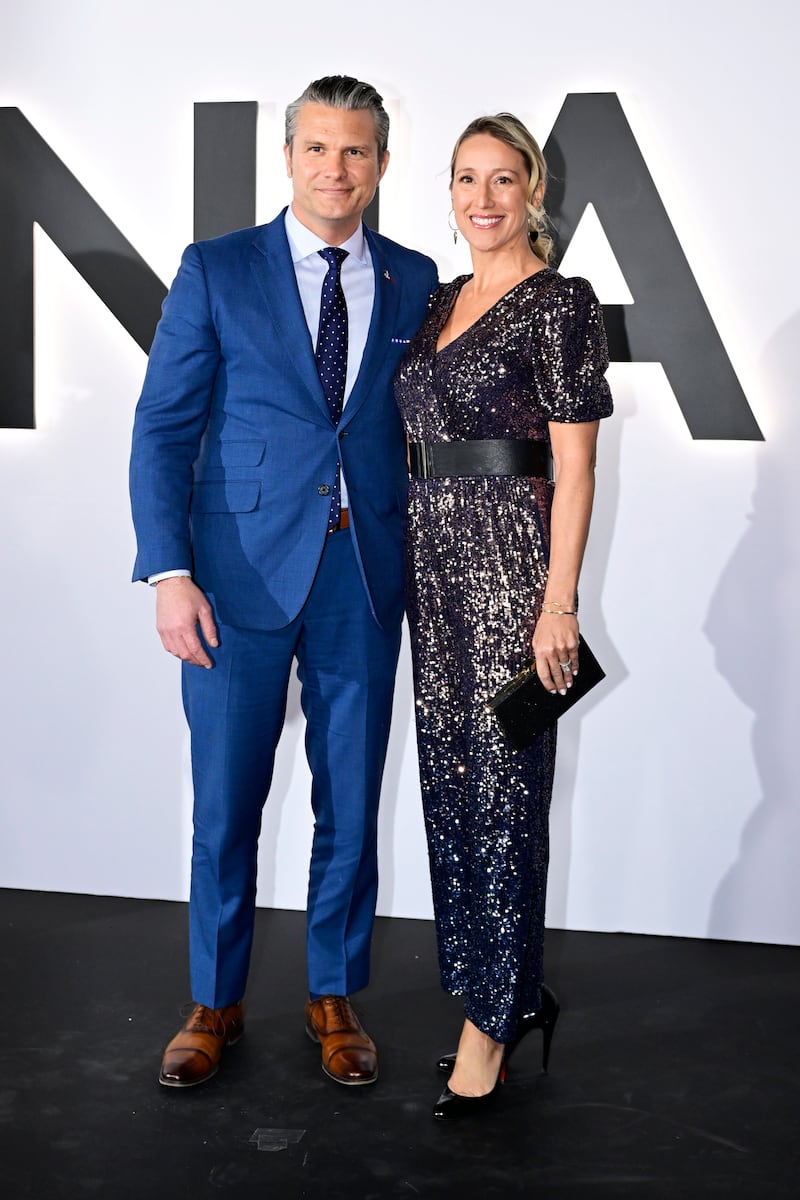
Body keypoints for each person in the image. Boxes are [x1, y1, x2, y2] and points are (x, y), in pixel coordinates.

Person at [129, 75, 438, 1090]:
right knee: (226, 805)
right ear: (289, 156)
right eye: (316, 149)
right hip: (232, 583)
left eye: (354, 152)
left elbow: (413, 436)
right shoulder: (215, 270)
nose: (334, 169)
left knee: (349, 801)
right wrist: (169, 572)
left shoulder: (411, 276)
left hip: (362, 577)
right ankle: (213, 1002)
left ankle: (331, 994)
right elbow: (163, 430)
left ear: (381, 165)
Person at [395, 113, 613, 1119]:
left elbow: (573, 467)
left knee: (506, 796)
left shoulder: (559, 303)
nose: (481, 200)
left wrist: (554, 603)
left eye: (501, 179)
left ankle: (492, 1022)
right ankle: (502, 990)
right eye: (463, 180)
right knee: (452, 788)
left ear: (532, 189)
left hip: (509, 574)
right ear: (447, 192)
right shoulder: (440, 300)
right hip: (431, 575)